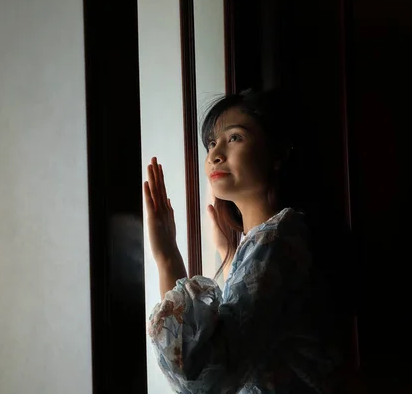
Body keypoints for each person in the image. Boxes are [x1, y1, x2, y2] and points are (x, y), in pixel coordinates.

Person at [143, 90, 348, 393]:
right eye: (211, 143)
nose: (215, 154)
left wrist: (168, 257)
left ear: (278, 152)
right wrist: (228, 253)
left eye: (235, 138)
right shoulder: (277, 238)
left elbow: (204, 375)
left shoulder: (276, 241)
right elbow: (255, 328)